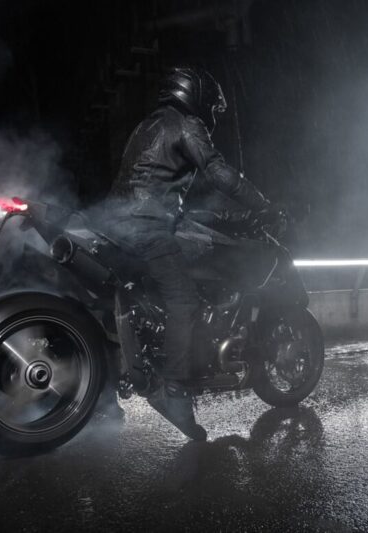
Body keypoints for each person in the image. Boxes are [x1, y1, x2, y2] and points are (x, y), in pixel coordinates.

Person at [107, 67, 271, 440]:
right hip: (147, 227)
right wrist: (262, 204)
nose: (212, 113)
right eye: (211, 104)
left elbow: (148, 179)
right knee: (185, 302)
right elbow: (217, 171)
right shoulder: (186, 124)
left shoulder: (147, 124)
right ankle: (175, 391)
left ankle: (106, 394)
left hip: (117, 224)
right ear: (195, 96)